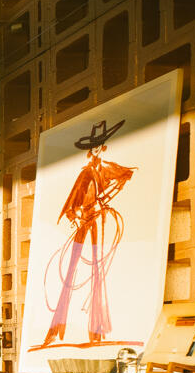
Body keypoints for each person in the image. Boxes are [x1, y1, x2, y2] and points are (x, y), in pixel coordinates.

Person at [39, 119, 135, 348]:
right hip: (86, 224)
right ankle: (59, 327)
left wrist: (107, 198)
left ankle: (97, 329)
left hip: (98, 223)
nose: (94, 151)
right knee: (74, 269)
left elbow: (127, 173)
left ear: (103, 148)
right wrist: (80, 215)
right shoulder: (85, 174)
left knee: (98, 270)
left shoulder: (106, 168)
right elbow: (71, 205)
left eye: (98, 146)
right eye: (92, 147)